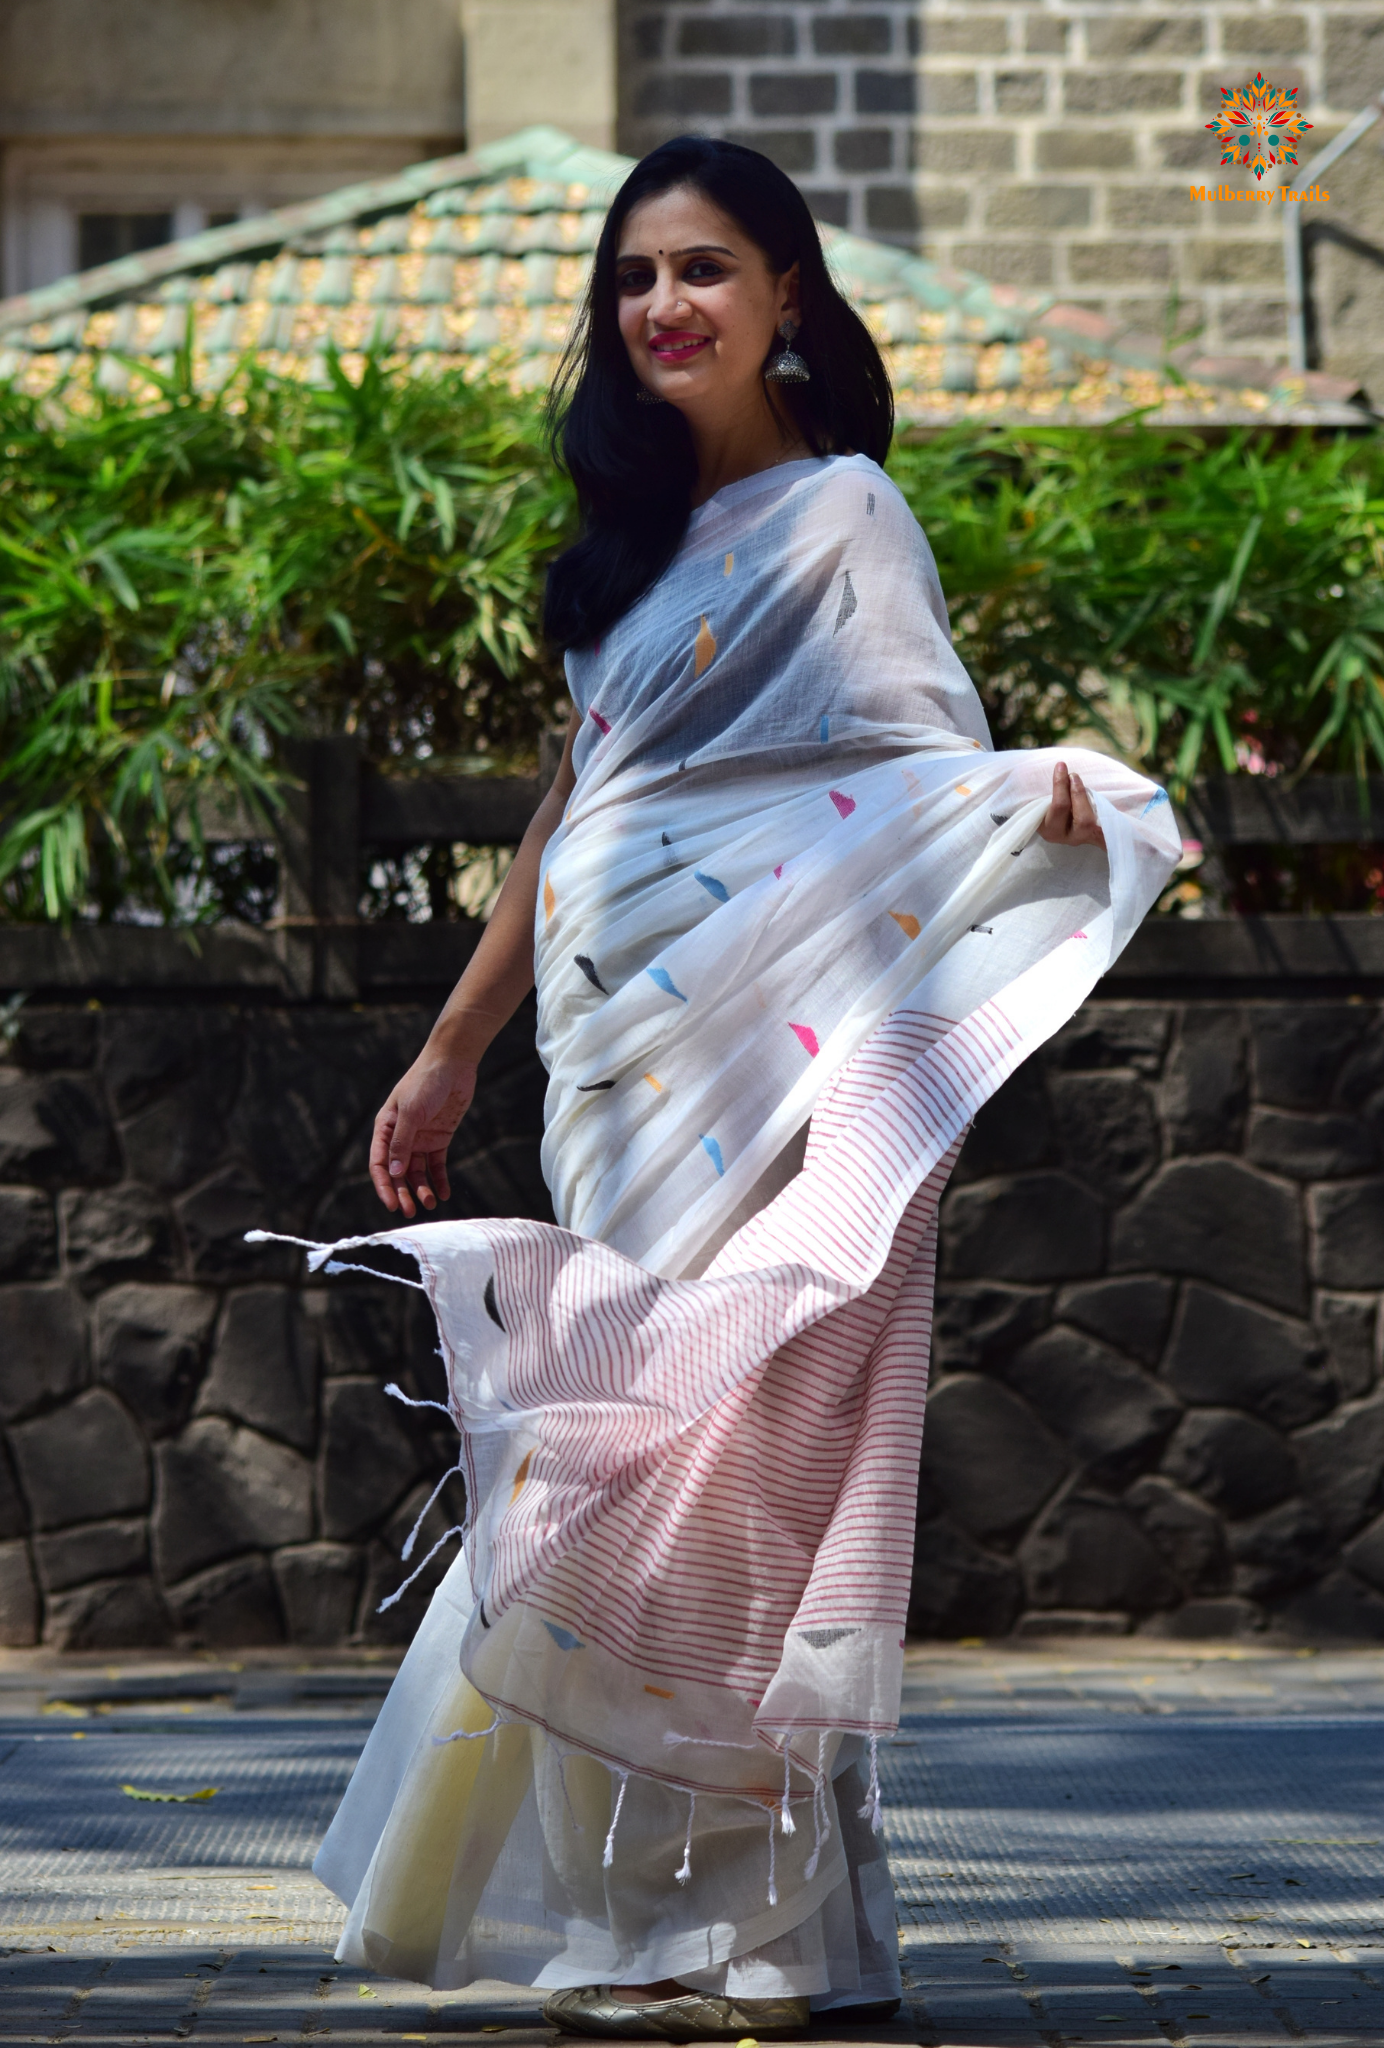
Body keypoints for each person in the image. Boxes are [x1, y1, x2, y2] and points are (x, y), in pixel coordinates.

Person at [307, 137, 1179, 2037]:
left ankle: (772, 1941)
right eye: (634, 280)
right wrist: (454, 1045)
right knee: (603, 1444)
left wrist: (1048, 801)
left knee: (736, 1462)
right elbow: (578, 810)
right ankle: (640, 1931)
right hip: (614, 1063)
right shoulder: (627, 559)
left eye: (705, 270)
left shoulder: (844, 518)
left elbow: (904, 773)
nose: (664, 309)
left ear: (790, 295)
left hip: (768, 1066)